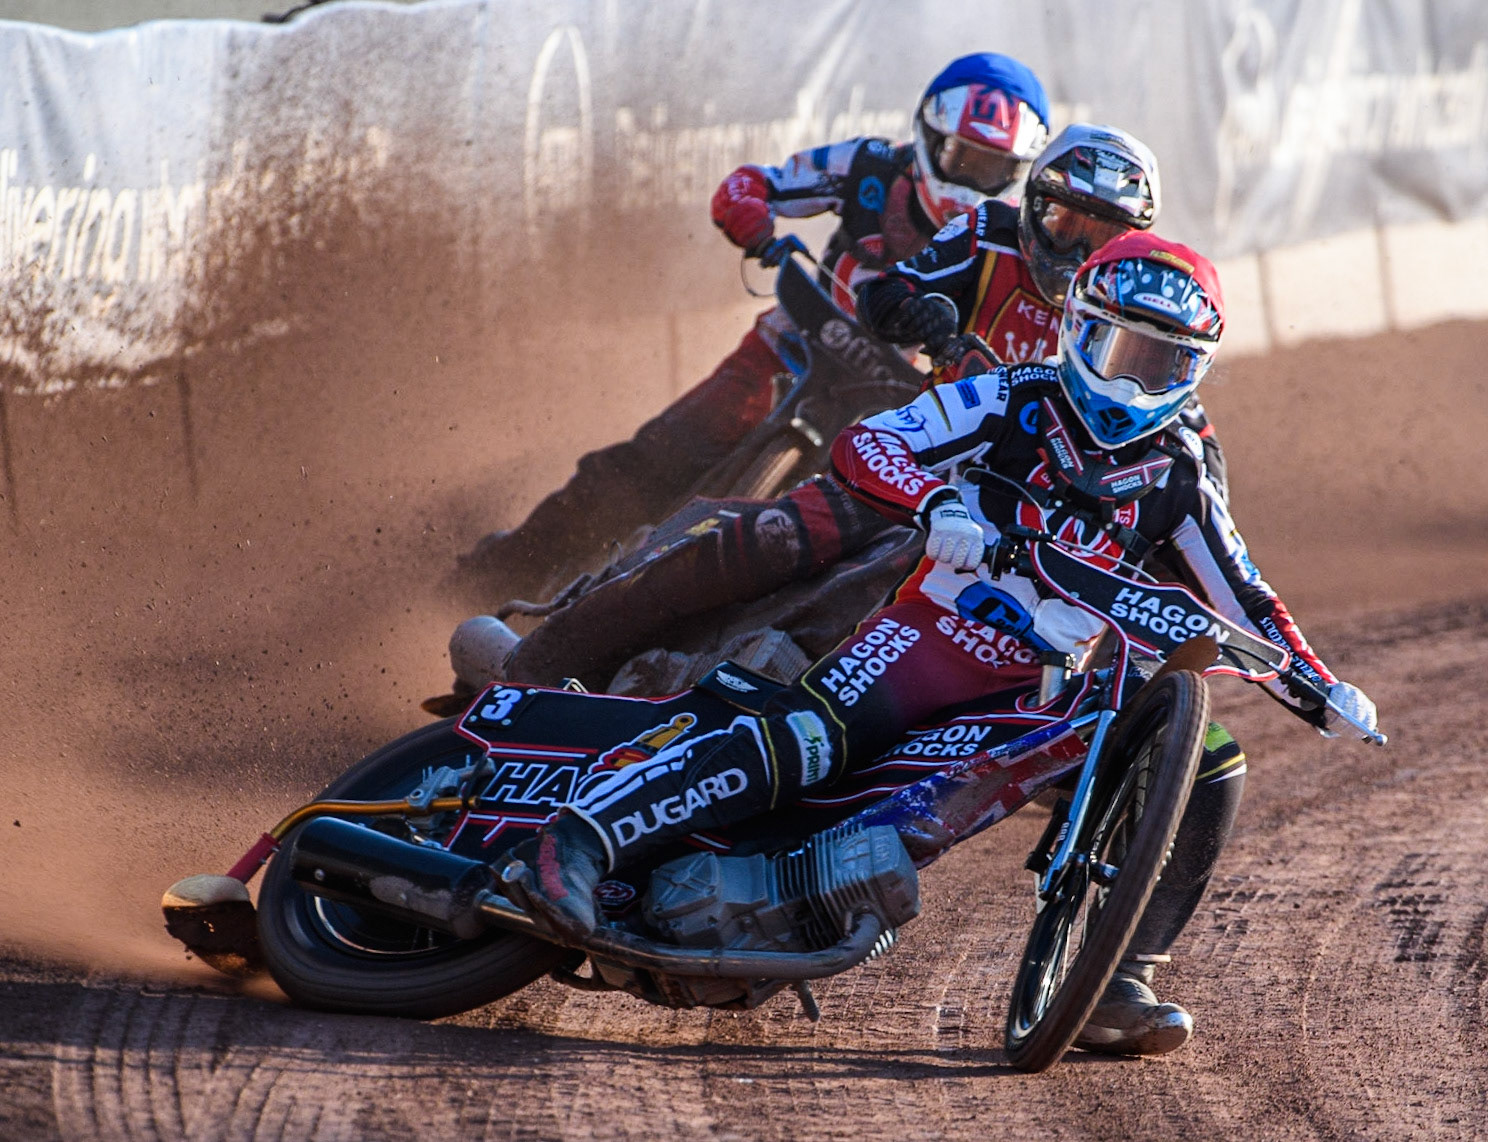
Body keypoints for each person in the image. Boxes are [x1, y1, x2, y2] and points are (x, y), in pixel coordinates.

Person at [509, 230, 1383, 1057]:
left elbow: (1247, 596)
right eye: (1123, 351)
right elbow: (872, 442)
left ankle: (1117, 981)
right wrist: (938, 506)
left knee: (1208, 763)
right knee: (807, 742)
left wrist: (1322, 686)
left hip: (1048, 690)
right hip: (934, 632)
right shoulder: (1013, 394)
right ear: (1080, 329)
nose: (1134, 381)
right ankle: (579, 840)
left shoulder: (1184, 472)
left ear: (1197, 370)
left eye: (1164, 363)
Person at [467, 123, 1222, 697]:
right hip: (916, 476)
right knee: (759, 537)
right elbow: (883, 292)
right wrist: (926, 313)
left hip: (1036, 536)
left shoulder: (1145, 305)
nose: (1079, 244)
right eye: (1065, 221)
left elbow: (1193, 451)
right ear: (1032, 205)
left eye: (1105, 233)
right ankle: (535, 668)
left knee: (1117, 661)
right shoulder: (987, 235)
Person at [455, 53, 1051, 603]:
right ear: (929, 138)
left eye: (994, 167)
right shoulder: (867, 165)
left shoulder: (1007, 239)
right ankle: (492, 576)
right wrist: (755, 223)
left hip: (896, 409)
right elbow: (749, 184)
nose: (973, 177)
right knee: (648, 461)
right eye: (962, 157)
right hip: (790, 346)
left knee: (839, 550)